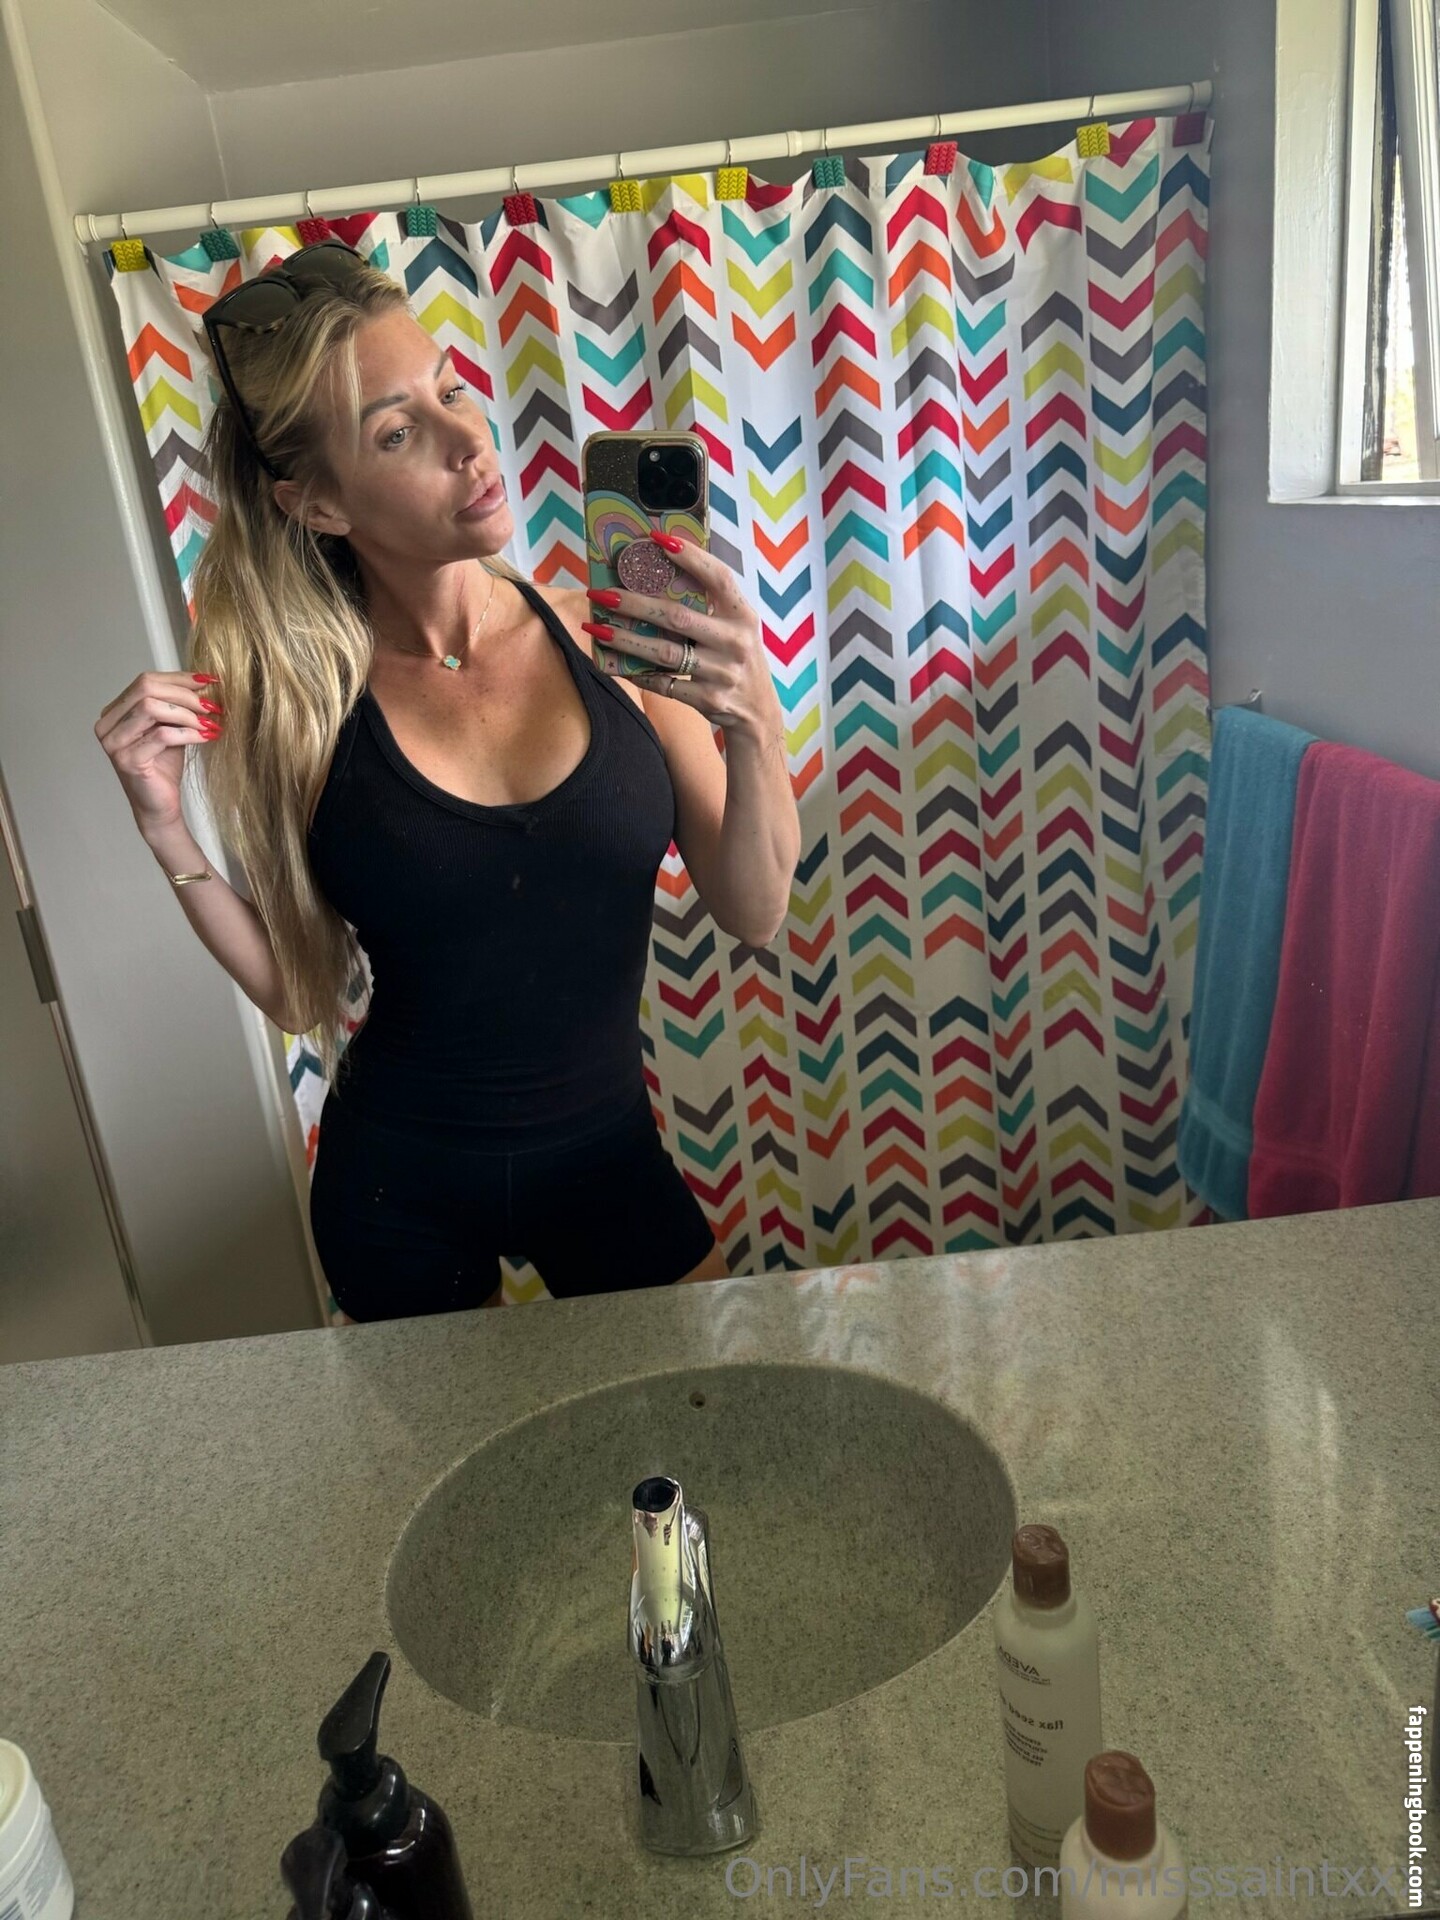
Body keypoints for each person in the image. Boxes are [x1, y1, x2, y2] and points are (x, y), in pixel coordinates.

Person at [94, 239, 800, 1321]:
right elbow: (301, 996)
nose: (470, 440)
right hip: (398, 1188)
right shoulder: (303, 709)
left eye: (452, 389)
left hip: (606, 1159)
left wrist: (753, 722)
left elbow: (753, 909)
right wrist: (166, 832)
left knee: (703, 1403)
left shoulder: (617, 638)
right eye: (397, 431)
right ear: (319, 507)